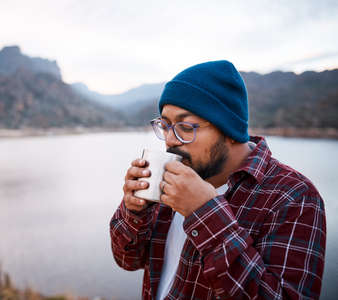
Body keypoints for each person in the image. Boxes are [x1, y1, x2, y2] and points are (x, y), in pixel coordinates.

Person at [109, 60, 326, 300]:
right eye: (166, 125)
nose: (169, 140)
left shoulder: (294, 196)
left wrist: (204, 212)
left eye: (184, 126)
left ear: (229, 129)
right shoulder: (171, 175)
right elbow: (128, 260)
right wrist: (133, 211)